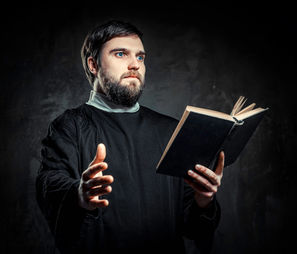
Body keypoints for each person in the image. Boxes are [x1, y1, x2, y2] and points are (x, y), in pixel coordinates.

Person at [36, 20, 225, 254]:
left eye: (140, 57)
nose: (134, 64)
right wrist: (79, 194)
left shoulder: (170, 131)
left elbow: (193, 227)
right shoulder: (69, 127)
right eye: (120, 54)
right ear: (93, 65)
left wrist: (203, 199)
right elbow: (49, 185)